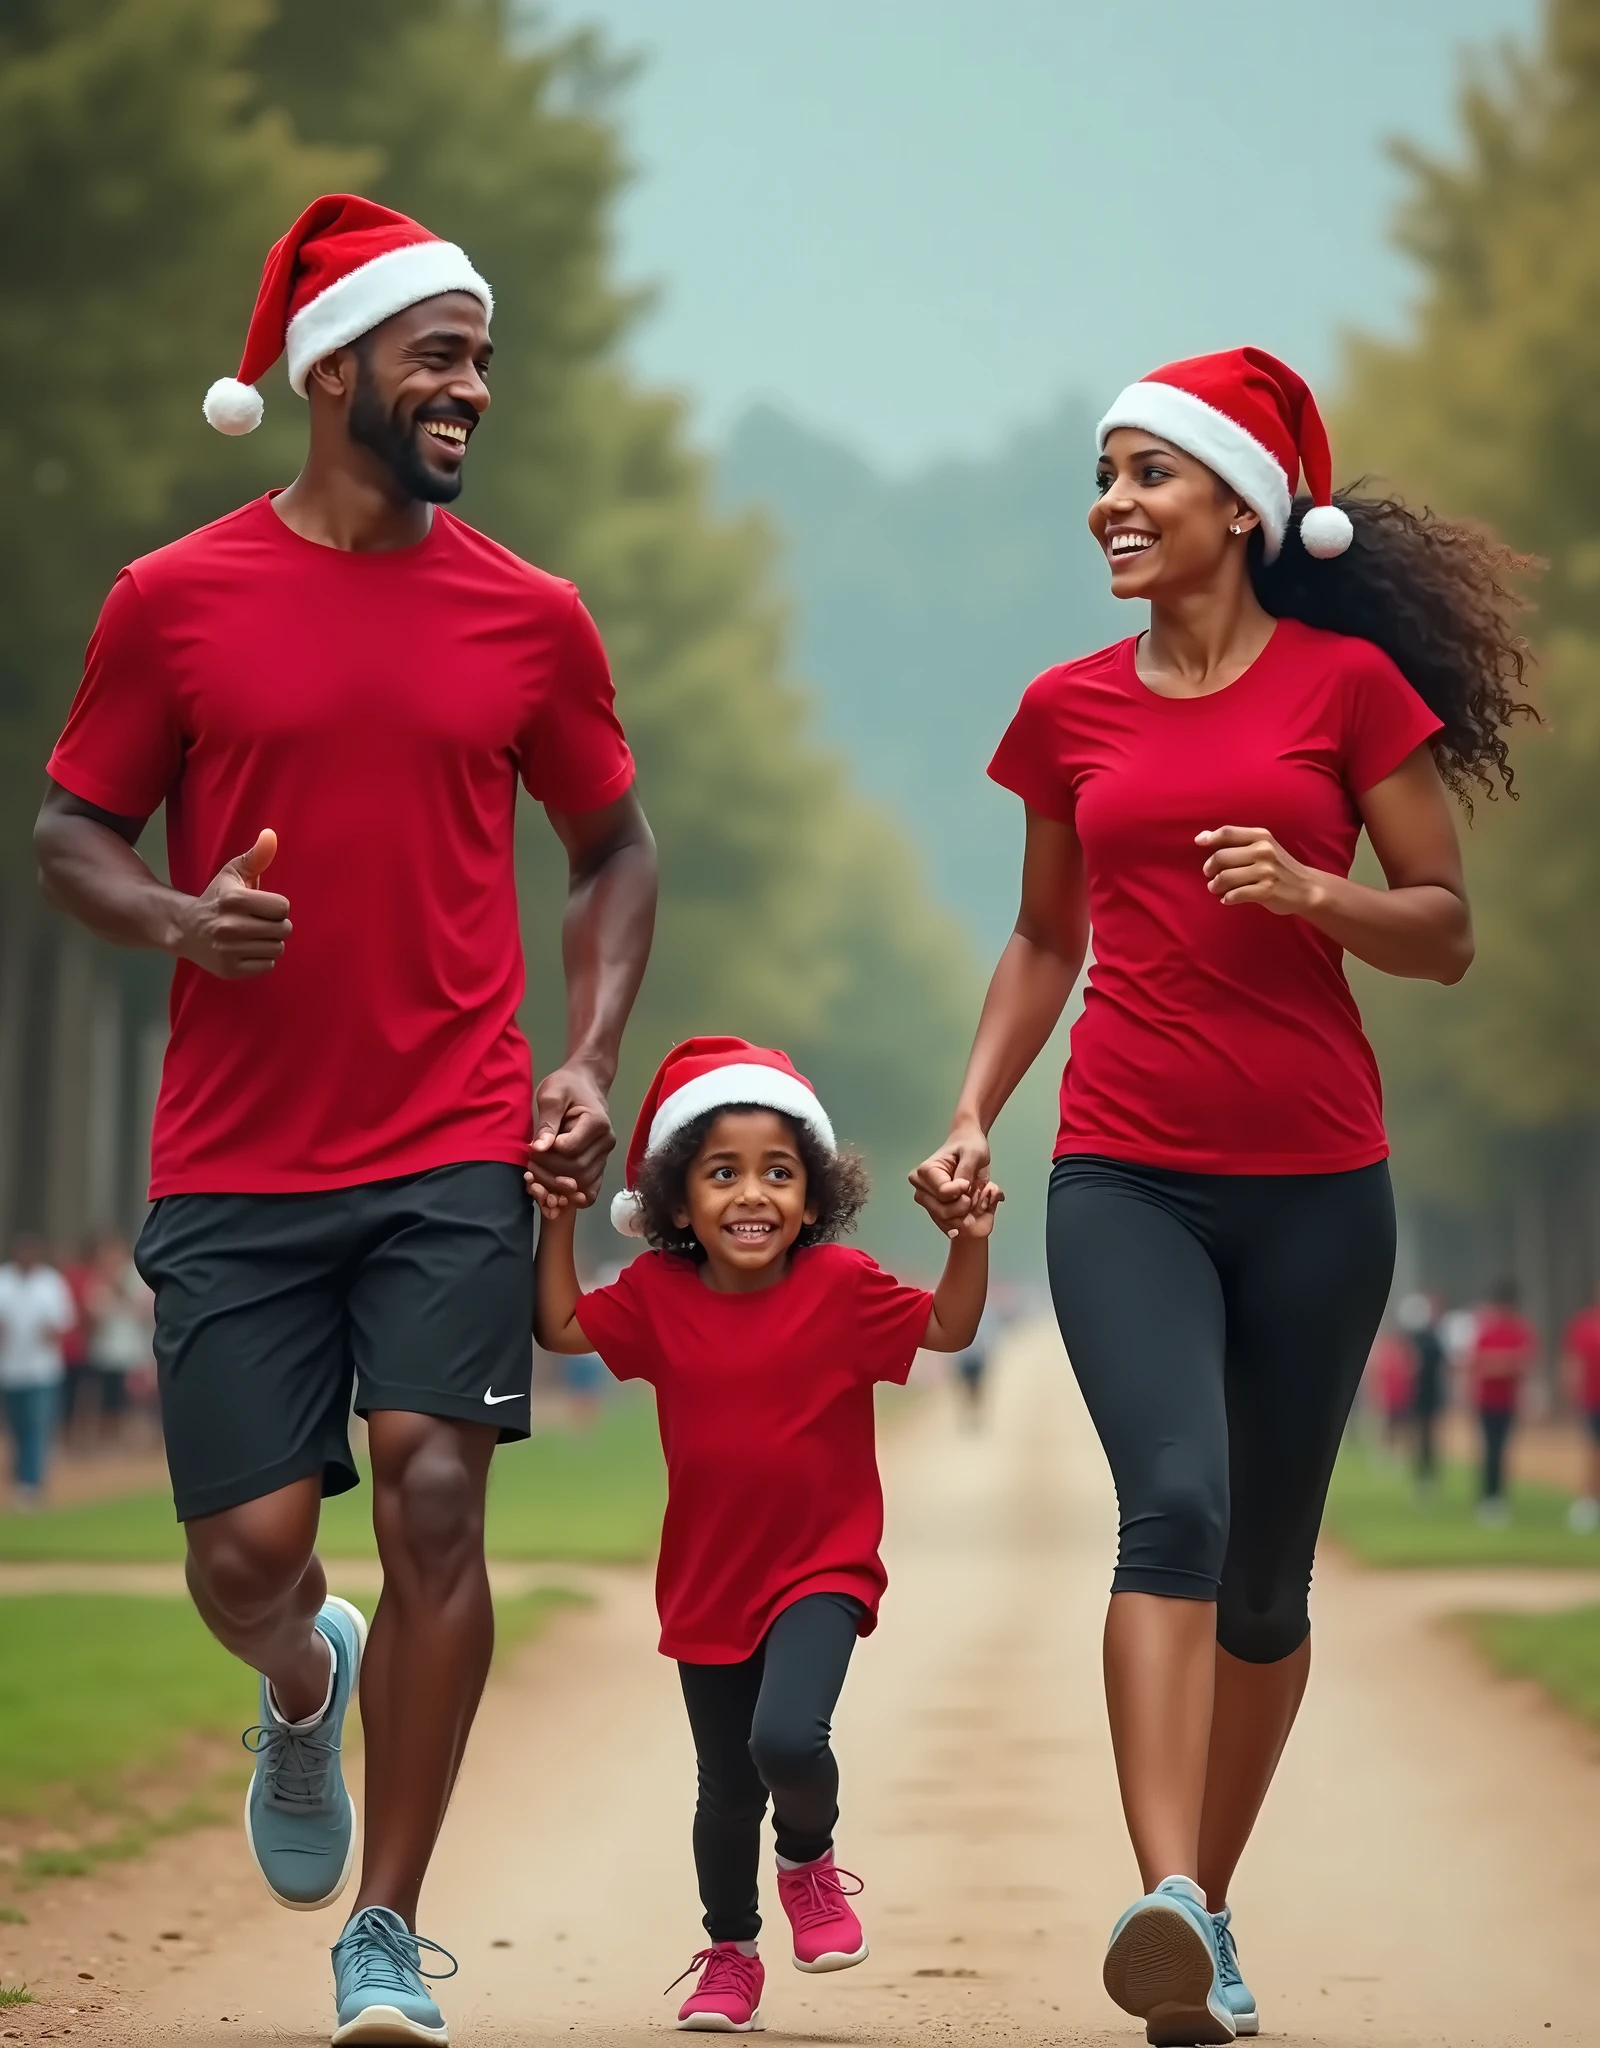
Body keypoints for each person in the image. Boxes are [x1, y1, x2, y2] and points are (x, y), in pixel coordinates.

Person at [34, 194, 657, 2047]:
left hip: (454, 1134)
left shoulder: (532, 616)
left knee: (439, 1488)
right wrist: (174, 918)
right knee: (243, 1554)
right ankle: (303, 1680)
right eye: (438, 350)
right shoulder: (173, 600)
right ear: (334, 371)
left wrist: (591, 1055)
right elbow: (73, 830)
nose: (472, 383)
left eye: (481, 352)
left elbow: (612, 844)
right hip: (231, 1153)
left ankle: (385, 1927)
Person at [911, 347, 1531, 2045]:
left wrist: (1316, 888)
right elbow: (1046, 935)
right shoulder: (1067, 708)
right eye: (1101, 477)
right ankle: (1166, 1892)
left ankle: (1212, 1903)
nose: (1112, 503)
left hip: (1322, 1187)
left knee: (1266, 1584)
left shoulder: (1344, 694)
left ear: (1242, 507)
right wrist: (974, 1109)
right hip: (1124, 1169)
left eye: (1146, 473)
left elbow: (1447, 929)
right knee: (1170, 1506)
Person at [533, 1038, 998, 2034]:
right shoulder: (658, 1298)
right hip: (706, 1579)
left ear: (814, 1189)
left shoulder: (841, 1284)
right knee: (723, 1786)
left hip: (821, 1566)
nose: (754, 1193)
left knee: (786, 1736)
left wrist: (968, 1236)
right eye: (723, 1171)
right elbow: (563, 1323)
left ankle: (809, 1859)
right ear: (675, 1199)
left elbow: (950, 1329)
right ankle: (729, 1952)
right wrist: (558, 1221)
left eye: (779, 1171)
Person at [0, 1236, 77, 1510]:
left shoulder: (50, 1283)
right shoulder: (4, 1281)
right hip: (9, 1369)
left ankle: (31, 1484)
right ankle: (20, 1478)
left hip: (42, 1370)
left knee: (36, 1427)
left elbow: (65, 1321)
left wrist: (50, 1332)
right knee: (16, 1429)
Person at [1465, 1281, 1539, 1525]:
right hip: (1486, 1401)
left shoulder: (1520, 1329)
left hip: (1508, 1401)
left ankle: (1498, 1497)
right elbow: (1475, 1364)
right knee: (1489, 1450)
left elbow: (1523, 1364)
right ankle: (1488, 1496)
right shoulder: (1485, 1330)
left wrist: (1495, 1364)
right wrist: (1504, 1363)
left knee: (1502, 1450)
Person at [83, 1233, 155, 1452]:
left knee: (137, 1399)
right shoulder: (98, 1278)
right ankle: (108, 1441)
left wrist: (120, 1291)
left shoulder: (136, 1276)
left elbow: (145, 1310)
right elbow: (93, 1310)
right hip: (106, 1349)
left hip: (133, 1350)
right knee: (108, 1398)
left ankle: (139, 1442)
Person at [1397, 1290, 1450, 1491]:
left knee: (1430, 1437)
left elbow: (1445, 1365)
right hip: (1416, 1394)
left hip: (1431, 1393)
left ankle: (1429, 1476)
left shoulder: (1434, 1338)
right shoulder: (1414, 1339)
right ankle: (1421, 1476)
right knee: (1419, 1436)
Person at [1561, 1284, 1600, 1533]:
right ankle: (1589, 1502)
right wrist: (1572, 1394)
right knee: (1593, 1451)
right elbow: (1572, 1363)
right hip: (1593, 1399)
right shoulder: (1583, 1325)